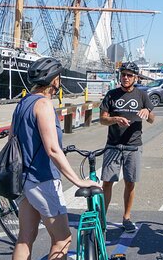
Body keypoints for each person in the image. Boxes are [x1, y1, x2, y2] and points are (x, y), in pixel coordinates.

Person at [12, 57, 99, 260]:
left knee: (25, 238)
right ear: (54, 80)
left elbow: (12, 140)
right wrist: (78, 181)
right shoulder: (43, 105)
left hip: (23, 180)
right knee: (62, 239)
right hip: (42, 179)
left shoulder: (23, 103)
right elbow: (52, 149)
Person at [99, 61, 155, 233]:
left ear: (135, 78)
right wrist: (115, 119)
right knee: (107, 182)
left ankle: (127, 217)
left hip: (133, 146)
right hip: (113, 145)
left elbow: (152, 119)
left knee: (130, 183)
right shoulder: (111, 94)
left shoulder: (142, 95)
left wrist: (147, 113)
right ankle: (102, 219)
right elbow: (102, 119)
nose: (125, 77)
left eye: (129, 75)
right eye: (123, 74)